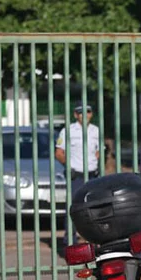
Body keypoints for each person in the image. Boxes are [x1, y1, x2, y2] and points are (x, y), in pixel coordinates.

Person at [55, 103, 100, 247]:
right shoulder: (68, 131)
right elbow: (59, 153)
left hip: (93, 175)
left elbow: (99, 151)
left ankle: (93, 241)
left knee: (94, 209)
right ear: (76, 115)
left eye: (88, 112)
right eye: (81, 112)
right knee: (74, 208)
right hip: (76, 176)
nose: (85, 115)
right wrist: (69, 167)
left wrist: (94, 163)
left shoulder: (96, 130)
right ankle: (70, 242)